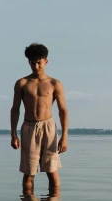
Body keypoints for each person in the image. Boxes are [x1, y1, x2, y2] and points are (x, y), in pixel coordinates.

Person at [10, 43, 69, 193]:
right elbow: (15, 109)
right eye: (32, 63)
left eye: (39, 63)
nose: (35, 66)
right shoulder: (22, 83)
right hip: (29, 127)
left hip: (48, 127)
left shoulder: (54, 83)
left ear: (46, 62)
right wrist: (13, 134)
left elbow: (63, 110)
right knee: (29, 174)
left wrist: (64, 137)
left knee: (52, 171)